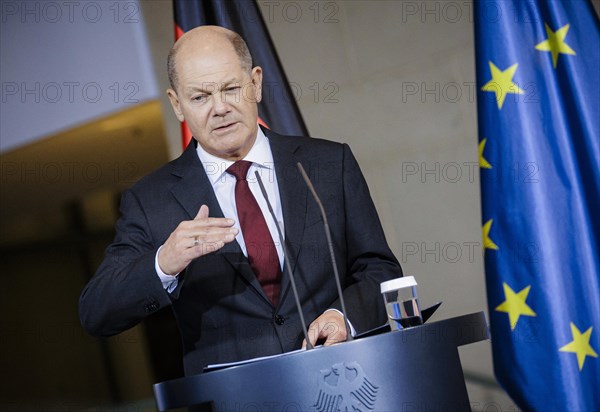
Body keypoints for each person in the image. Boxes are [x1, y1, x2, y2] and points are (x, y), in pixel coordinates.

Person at [79, 26, 402, 376]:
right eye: (200, 97)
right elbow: (97, 312)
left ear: (256, 83)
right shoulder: (150, 200)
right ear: (177, 104)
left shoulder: (327, 165)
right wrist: (164, 261)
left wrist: (343, 316)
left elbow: (379, 270)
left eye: (231, 89)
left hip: (344, 379)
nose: (220, 108)